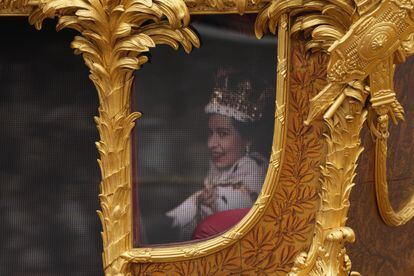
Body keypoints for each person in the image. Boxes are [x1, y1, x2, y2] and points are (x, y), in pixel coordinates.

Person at [166, 69, 269, 240]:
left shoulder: (254, 169)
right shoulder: (219, 170)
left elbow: (237, 202)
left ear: (247, 140)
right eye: (210, 133)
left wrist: (213, 201)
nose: (211, 144)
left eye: (222, 133)